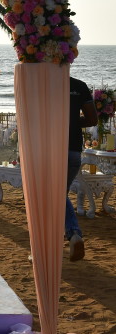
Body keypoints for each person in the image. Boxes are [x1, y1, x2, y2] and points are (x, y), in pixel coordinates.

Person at [66, 77, 97, 261]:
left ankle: (73, 233)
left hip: (49, 149)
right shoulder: (79, 86)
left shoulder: (43, 82)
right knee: (59, 195)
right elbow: (93, 119)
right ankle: (72, 235)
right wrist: (73, 121)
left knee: (53, 196)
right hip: (73, 152)